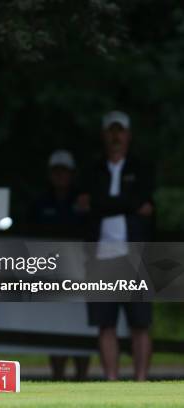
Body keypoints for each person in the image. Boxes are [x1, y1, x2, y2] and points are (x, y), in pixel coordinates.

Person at [78, 110, 155, 381]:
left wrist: (101, 204)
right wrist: (131, 205)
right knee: (104, 323)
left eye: (120, 130)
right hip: (100, 257)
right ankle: (112, 380)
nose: (115, 136)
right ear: (104, 135)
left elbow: (144, 199)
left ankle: (141, 380)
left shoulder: (142, 168)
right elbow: (87, 205)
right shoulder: (93, 170)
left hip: (135, 256)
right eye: (111, 131)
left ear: (128, 135)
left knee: (140, 323)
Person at [29, 149, 90, 381]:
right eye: (56, 171)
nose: (60, 176)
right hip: (52, 273)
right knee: (55, 322)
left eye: (64, 171)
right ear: (50, 174)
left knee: (80, 323)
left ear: (72, 174)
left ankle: (82, 377)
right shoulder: (40, 202)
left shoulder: (83, 200)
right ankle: (57, 376)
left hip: (80, 270)